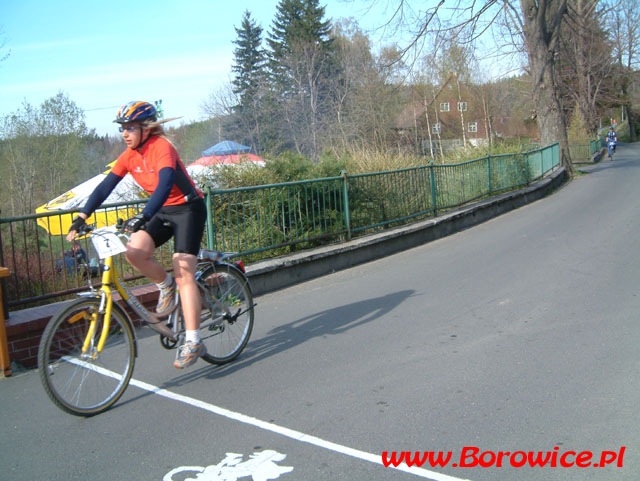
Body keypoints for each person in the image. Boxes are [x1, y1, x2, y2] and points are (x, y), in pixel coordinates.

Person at [66, 101, 208, 369]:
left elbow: (166, 184)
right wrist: (81, 216)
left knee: (184, 271)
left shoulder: (161, 147)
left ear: (146, 128)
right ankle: (165, 286)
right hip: (162, 210)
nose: (125, 134)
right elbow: (104, 187)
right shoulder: (130, 155)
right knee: (134, 251)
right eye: (122, 129)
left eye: (130, 128)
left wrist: (144, 215)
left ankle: (193, 340)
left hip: (188, 209)